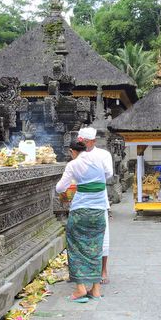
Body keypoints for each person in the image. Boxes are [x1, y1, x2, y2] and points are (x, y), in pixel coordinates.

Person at [55, 140, 108, 302]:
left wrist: (76, 185)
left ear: (72, 151)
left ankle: (80, 289)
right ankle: (96, 289)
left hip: (80, 212)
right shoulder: (99, 161)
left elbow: (60, 188)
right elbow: (106, 177)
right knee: (95, 248)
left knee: (75, 247)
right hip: (99, 212)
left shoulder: (73, 164)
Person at [78, 127, 113, 285]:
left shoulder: (103, 155)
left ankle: (103, 269)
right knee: (82, 236)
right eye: (81, 141)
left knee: (102, 235)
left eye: (86, 141)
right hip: (81, 200)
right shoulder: (77, 154)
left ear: (93, 141)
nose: (84, 144)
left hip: (98, 200)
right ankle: (84, 269)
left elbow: (108, 173)